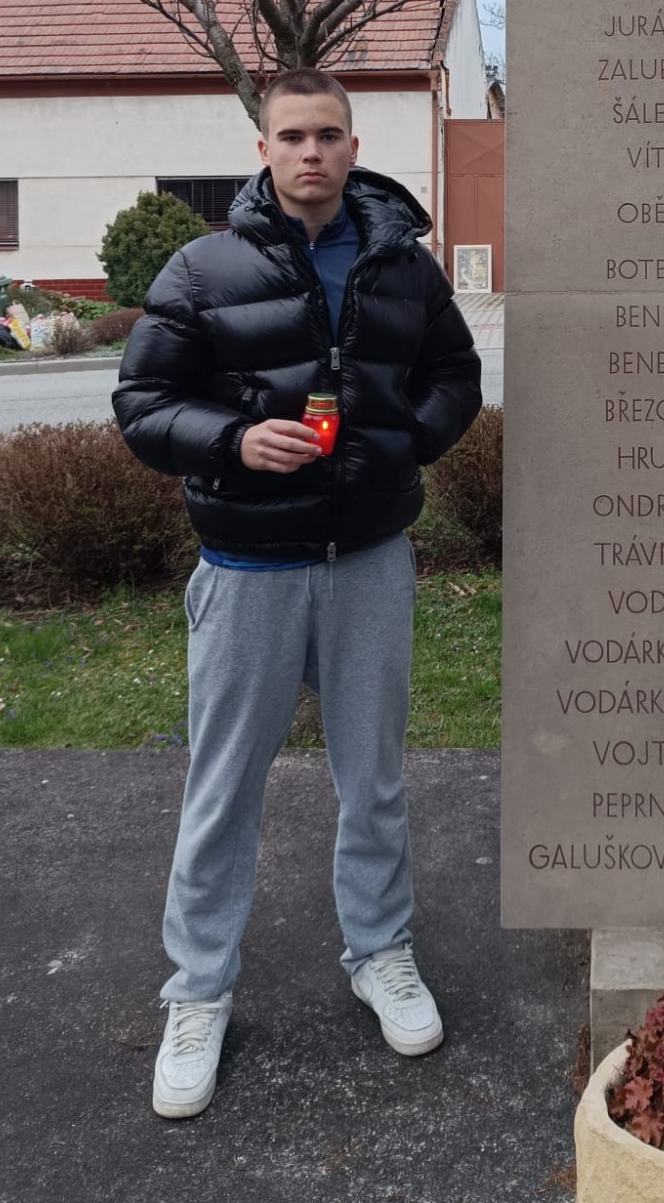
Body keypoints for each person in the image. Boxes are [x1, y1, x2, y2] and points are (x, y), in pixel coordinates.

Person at [113, 67, 482, 1120]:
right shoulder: (202, 268)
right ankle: (199, 990)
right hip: (250, 566)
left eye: (327, 134)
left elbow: (455, 377)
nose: (310, 152)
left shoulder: (403, 265)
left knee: (375, 776)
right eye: (291, 135)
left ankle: (381, 950)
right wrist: (232, 440)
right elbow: (143, 401)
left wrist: (405, 442)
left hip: (368, 560)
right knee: (224, 786)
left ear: (353, 147)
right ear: (264, 148)